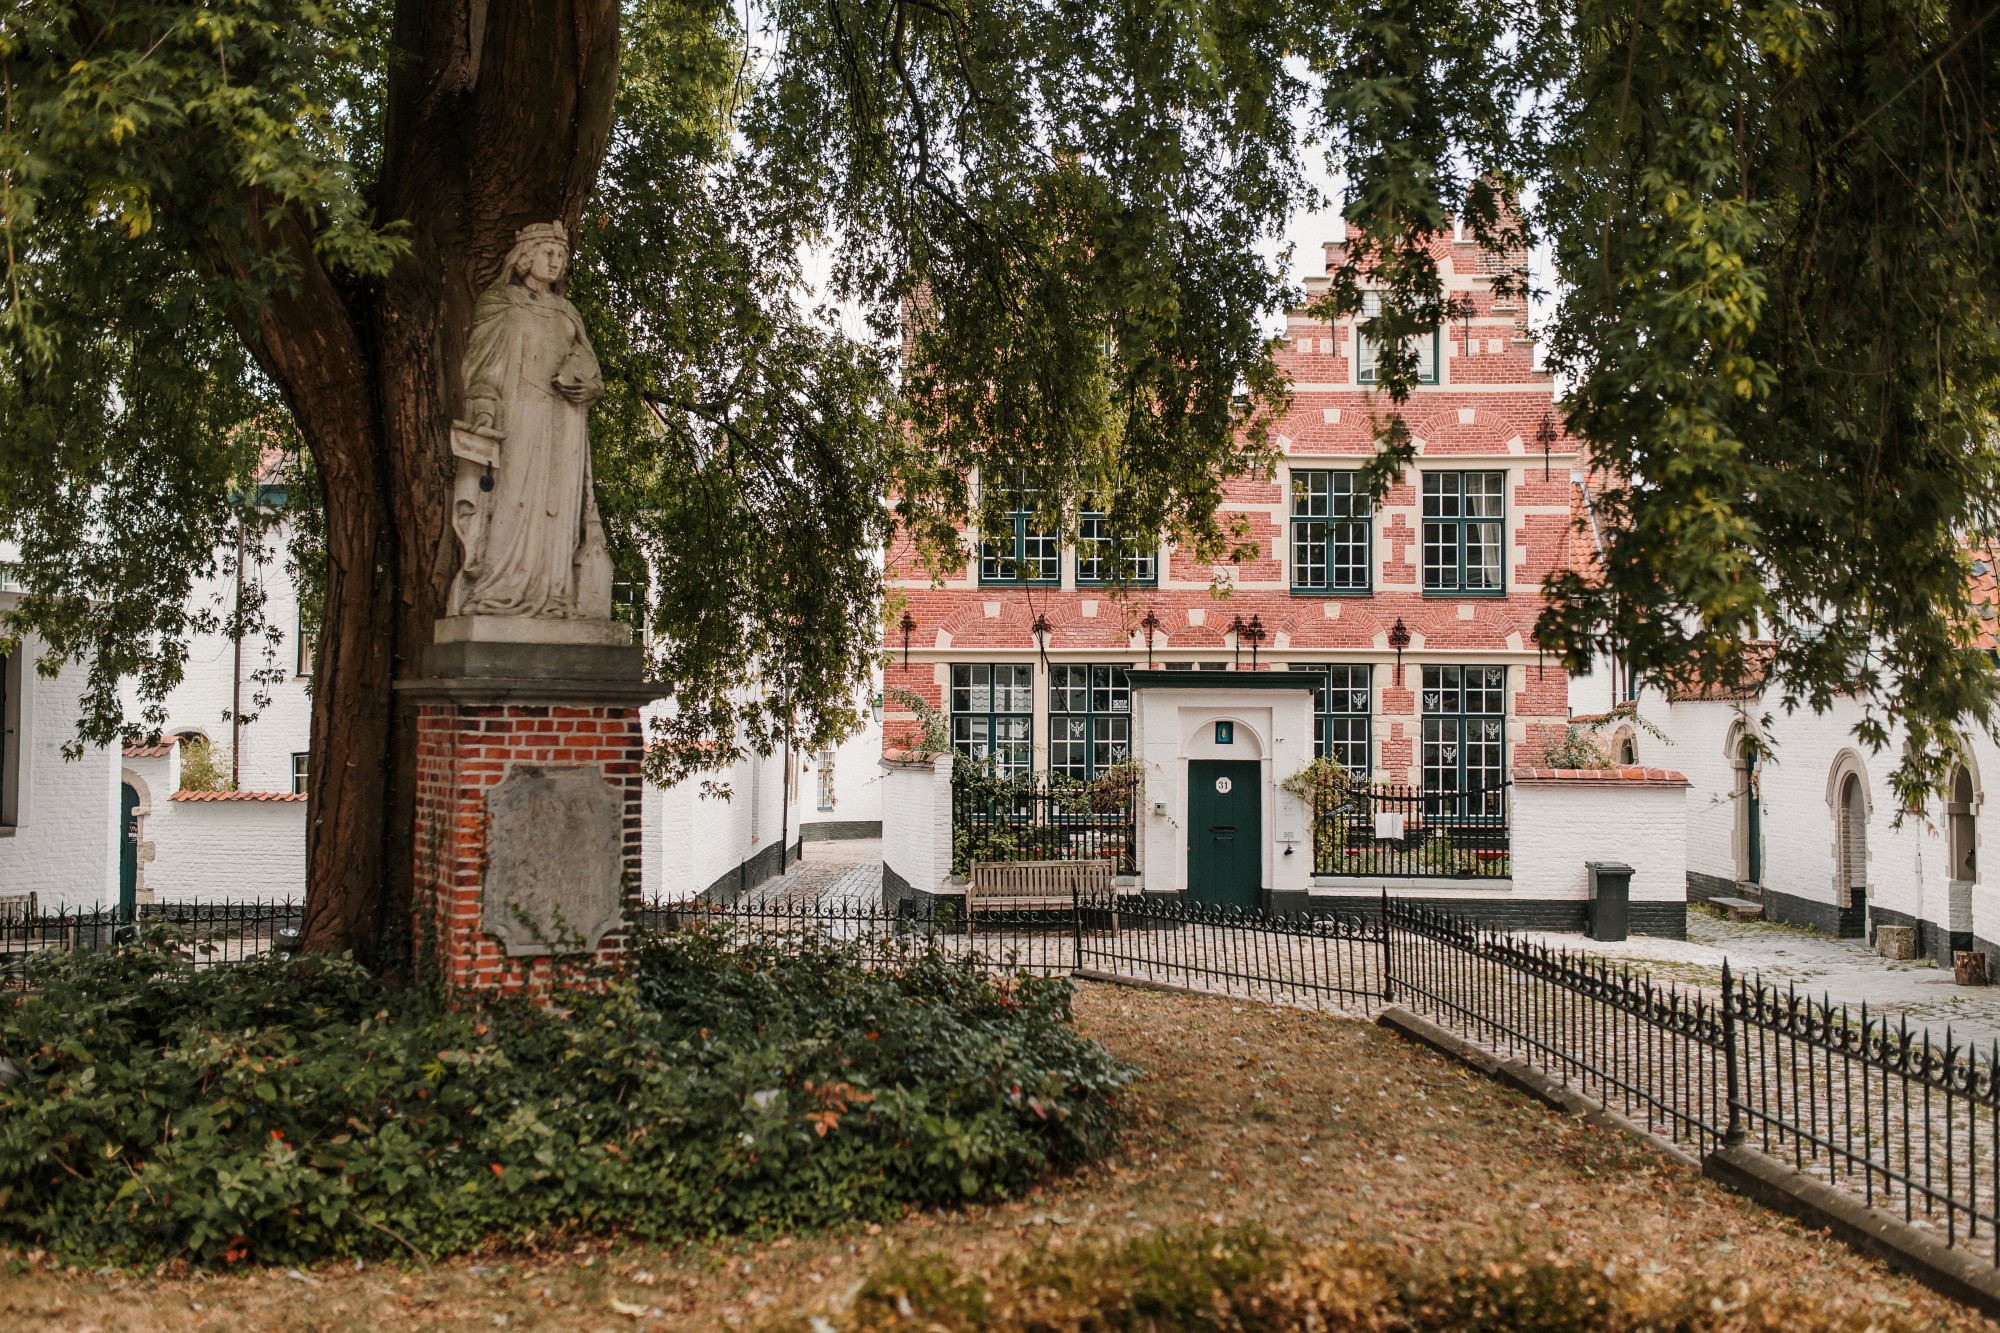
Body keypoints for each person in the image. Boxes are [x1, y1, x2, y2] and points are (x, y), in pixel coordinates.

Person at [450, 220, 611, 620]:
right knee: (513, 501)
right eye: (548, 253)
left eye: (562, 256)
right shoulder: (499, 302)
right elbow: (481, 367)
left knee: (558, 510)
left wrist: (589, 386)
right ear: (524, 258)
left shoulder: (567, 311)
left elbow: (591, 368)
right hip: (519, 420)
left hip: (565, 424)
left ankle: (554, 594)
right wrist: (484, 407)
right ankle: (497, 589)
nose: (557, 262)